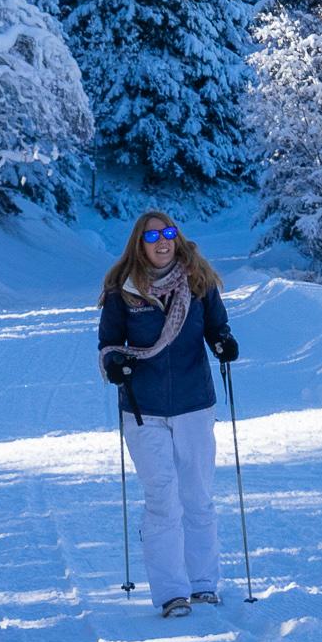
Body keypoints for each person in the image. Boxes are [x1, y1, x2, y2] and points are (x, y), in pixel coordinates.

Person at [97, 211, 238, 618]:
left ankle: (203, 583)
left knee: (197, 496)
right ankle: (172, 592)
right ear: (138, 244)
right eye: (153, 236)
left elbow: (217, 327)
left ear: (178, 237)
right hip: (144, 408)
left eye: (169, 233)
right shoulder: (121, 290)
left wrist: (224, 343)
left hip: (194, 403)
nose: (162, 242)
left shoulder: (198, 282)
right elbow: (108, 343)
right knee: (162, 499)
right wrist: (114, 364)